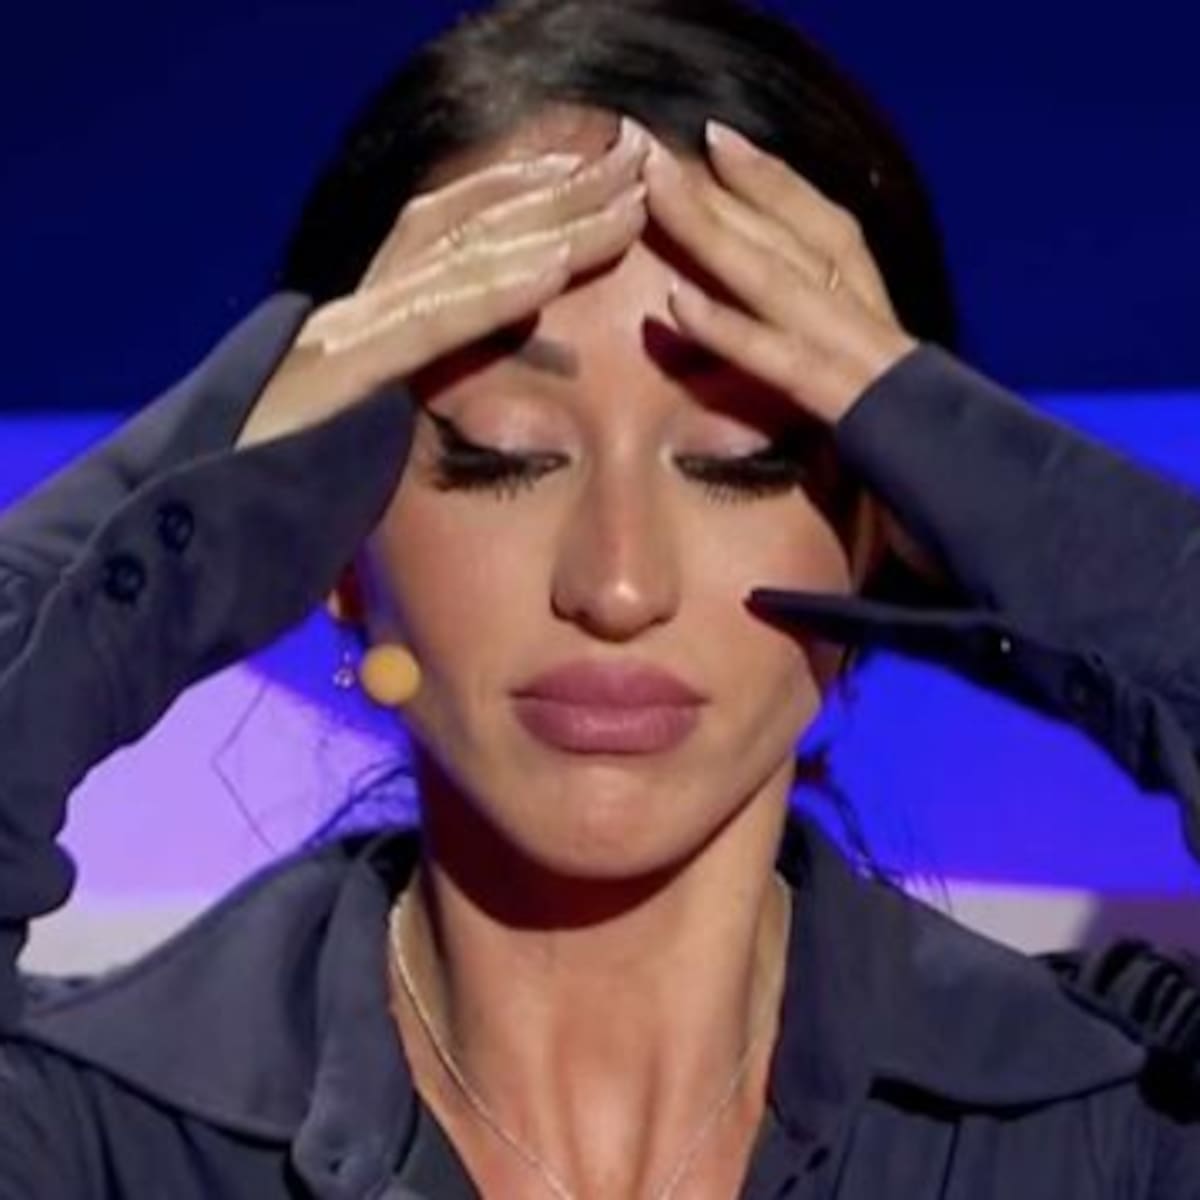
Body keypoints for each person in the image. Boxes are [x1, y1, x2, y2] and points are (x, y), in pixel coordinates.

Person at [2, 0, 1198, 1196]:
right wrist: (228, 450)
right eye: (503, 454)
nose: (619, 584)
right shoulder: (88, 1141)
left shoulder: (1110, 1127)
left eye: (739, 461)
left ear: (887, 524)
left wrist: (983, 471)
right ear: (334, 541)